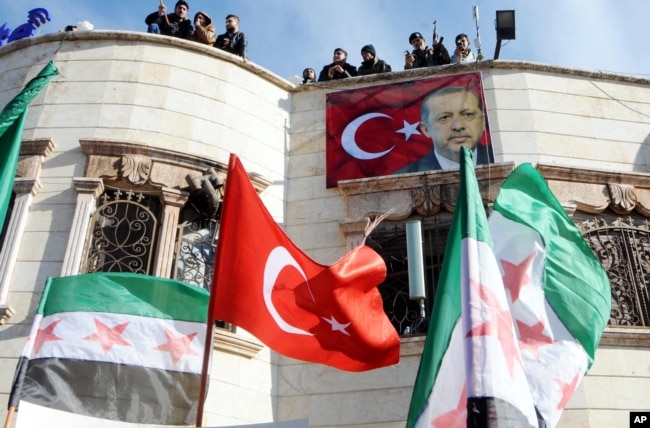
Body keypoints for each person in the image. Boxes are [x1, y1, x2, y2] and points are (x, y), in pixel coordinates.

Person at [394, 86, 493, 173]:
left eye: (468, 115)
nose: (458, 126)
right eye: (444, 118)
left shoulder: (504, 156)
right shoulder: (402, 177)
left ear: (483, 121)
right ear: (426, 129)